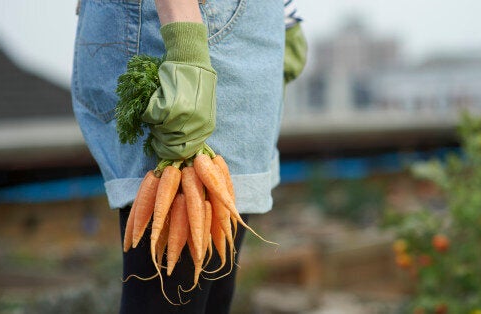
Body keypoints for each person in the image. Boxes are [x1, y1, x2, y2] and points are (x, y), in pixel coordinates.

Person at [72, 0, 306, 312]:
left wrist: (285, 17)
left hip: (245, 28)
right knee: (173, 294)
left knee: (213, 290)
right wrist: (185, 45)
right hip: (189, 25)